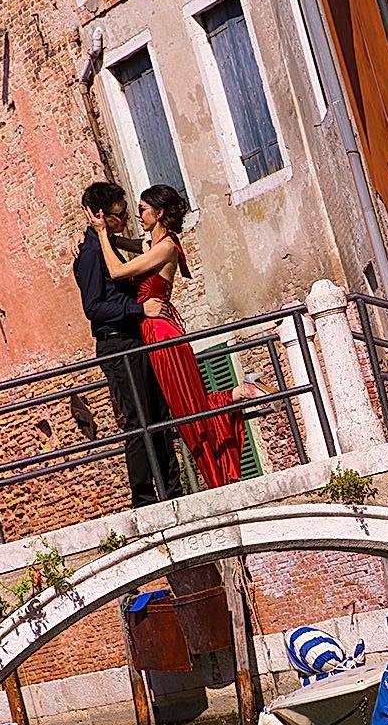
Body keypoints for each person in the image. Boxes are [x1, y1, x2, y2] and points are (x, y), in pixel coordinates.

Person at [88, 184, 266, 489]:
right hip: (152, 332)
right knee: (180, 407)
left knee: (187, 407)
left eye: (142, 209)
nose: (137, 215)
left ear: (158, 213)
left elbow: (117, 271)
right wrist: (93, 235)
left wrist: (101, 234)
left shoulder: (167, 247)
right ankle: (237, 399)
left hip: (160, 333)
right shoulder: (150, 245)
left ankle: (240, 393)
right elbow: (125, 243)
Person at [73, 181, 183, 507]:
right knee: (138, 420)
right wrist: (140, 309)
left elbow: (140, 249)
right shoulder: (92, 253)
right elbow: (93, 308)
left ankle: (173, 491)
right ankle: (145, 499)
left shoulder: (106, 244)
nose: (125, 221)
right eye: (119, 216)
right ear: (99, 215)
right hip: (116, 344)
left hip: (134, 340)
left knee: (159, 416)